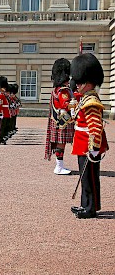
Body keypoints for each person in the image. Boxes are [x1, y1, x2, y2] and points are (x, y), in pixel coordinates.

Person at [70, 53, 108, 219]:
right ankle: (86, 204)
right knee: (85, 178)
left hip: (88, 146)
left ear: (88, 82)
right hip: (82, 144)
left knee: (90, 178)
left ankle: (90, 208)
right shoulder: (85, 99)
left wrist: (94, 148)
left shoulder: (91, 101)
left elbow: (95, 127)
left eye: (79, 82)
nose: (77, 85)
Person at [44, 58, 74, 175]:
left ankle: (59, 165)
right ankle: (59, 166)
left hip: (58, 120)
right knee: (61, 144)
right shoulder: (63, 90)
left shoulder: (57, 89)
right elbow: (65, 104)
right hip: (63, 121)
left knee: (60, 144)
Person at [0, 76, 10, 145]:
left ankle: (1, 138)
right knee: (0, 127)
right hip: (2, 113)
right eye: (3, 87)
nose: (5, 89)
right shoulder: (0, 95)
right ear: (0, 88)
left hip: (5, 112)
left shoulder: (3, 95)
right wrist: (0, 113)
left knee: (3, 127)